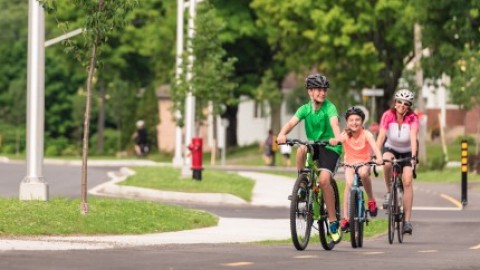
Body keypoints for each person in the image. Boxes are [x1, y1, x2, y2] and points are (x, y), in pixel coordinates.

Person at [276, 74, 342, 234]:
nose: (322, 93)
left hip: (330, 147)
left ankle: (333, 220)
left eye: (324, 90)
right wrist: (282, 134)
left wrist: (337, 137)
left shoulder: (329, 107)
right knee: (301, 148)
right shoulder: (305, 109)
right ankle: (303, 184)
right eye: (318, 90)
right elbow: (291, 123)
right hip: (314, 145)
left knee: (324, 180)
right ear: (310, 92)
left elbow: (334, 123)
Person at [376, 89, 419, 235]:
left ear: (409, 105)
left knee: (407, 181)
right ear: (395, 103)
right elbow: (381, 136)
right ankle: (389, 192)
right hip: (391, 148)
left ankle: (407, 221)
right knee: (387, 162)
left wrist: (413, 158)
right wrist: (377, 155)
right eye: (399, 102)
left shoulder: (413, 118)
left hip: (407, 151)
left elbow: (413, 138)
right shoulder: (388, 115)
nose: (402, 105)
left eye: (406, 103)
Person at [338, 107, 384, 232]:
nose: (354, 122)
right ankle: (346, 218)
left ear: (362, 122)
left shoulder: (367, 134)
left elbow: (375, 147)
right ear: (347, 122)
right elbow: (336, 143)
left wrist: (379, 158)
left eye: (357, 120)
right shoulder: (345, 135)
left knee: (364, 174)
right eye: (351, 120)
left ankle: (371, 199)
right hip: (349, 165)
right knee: (349, 184)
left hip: (364, 162)